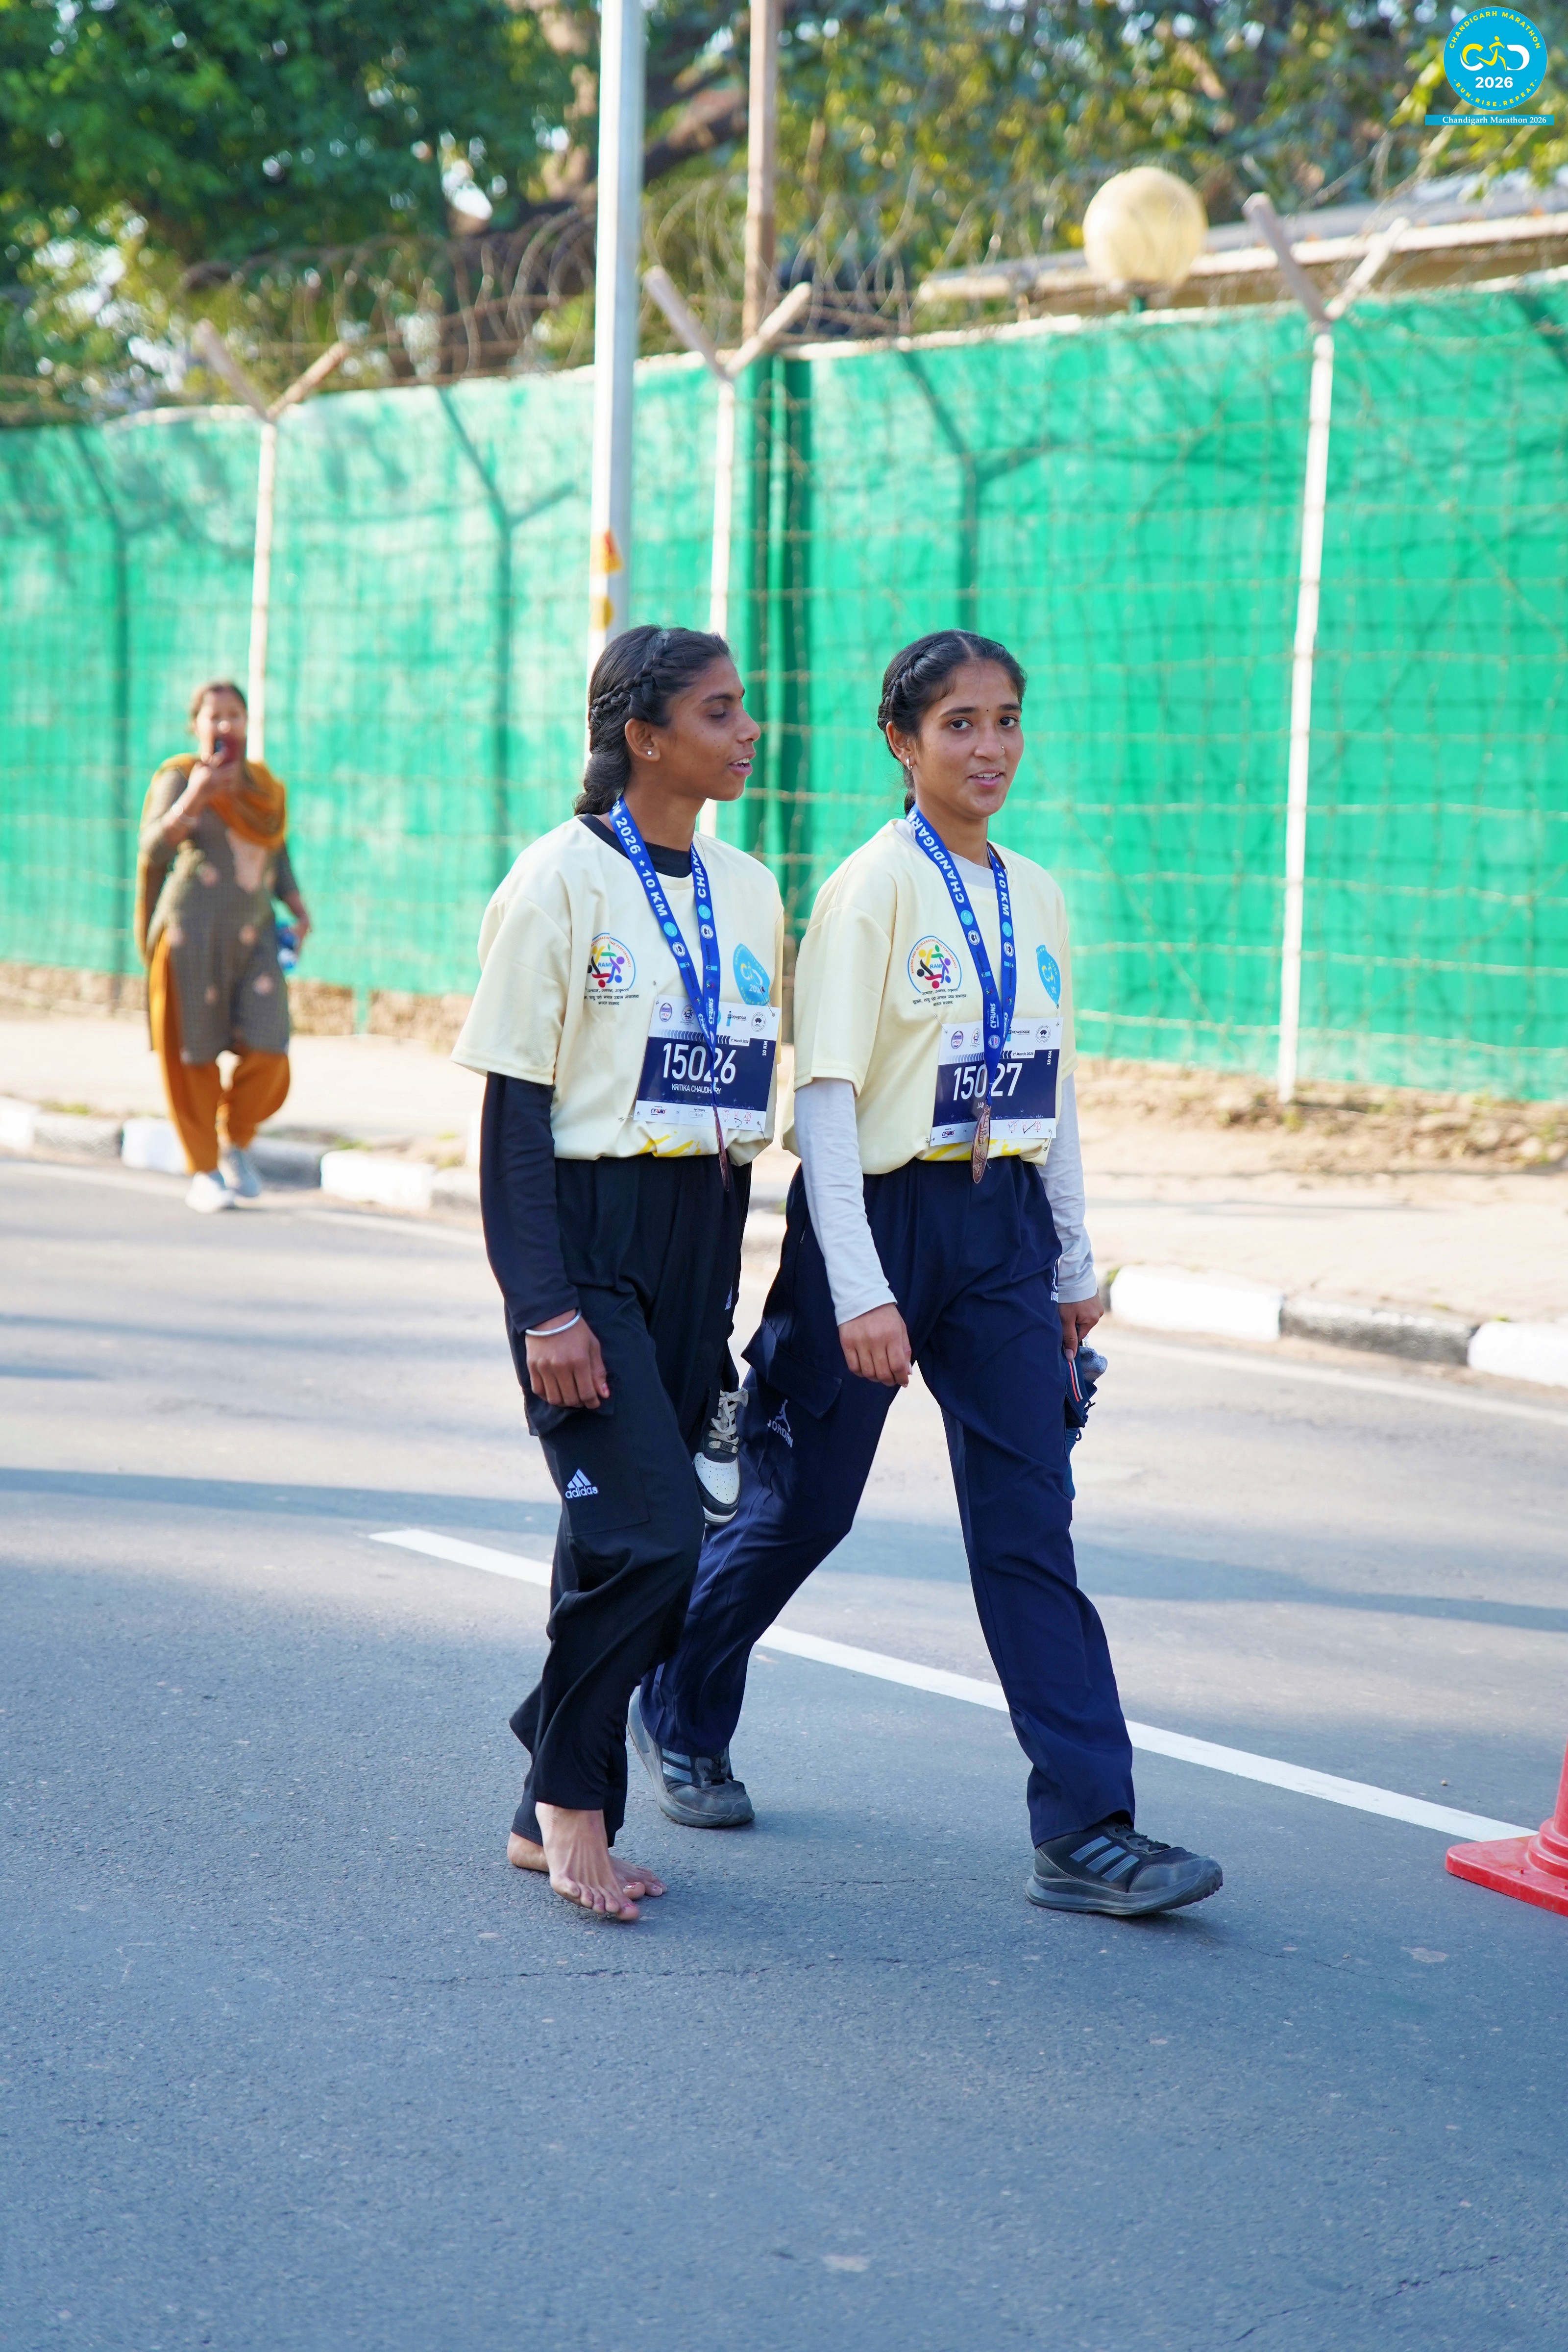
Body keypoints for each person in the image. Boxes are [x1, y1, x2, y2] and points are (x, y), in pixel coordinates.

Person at [632, 629, 1224, 1919]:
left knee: (1029, 1525)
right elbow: (827, 1101)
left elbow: (1053, 1086)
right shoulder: (871, 891)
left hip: (1000, 1226)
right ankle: (678, 1695)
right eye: (960, 724)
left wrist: (1071, 1262)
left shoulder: (1037, 893)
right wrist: (859, 1289)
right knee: (802, 1507)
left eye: (1006, 720)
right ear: (902, 743)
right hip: (879, 1219)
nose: (990, 747)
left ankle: (1087, 1829)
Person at [452, 624, 785, 1921]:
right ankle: (571, 1807)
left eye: (743, 707)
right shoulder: (558, 880)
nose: (747, 731)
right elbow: (513, 1122)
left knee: (621, 1535)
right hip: (585, 1235)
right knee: (653, 1539)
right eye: (719, 712)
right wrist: (543, 1306)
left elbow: (738, 1106)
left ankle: (540, 1795)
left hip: (697, 1234)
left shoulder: (749, 890)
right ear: (644, 737)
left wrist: (722, 1298)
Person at [135, 681, 311, 1214]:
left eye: (234, 714)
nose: (225, 725)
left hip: (254, 937)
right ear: (196, 725)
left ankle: (234, 1138)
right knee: (193, 1054)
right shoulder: (178, 777)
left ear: (247, 722)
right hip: (189, 937)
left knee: (270, 1048)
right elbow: (152, 850)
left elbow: (276, 855)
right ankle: (205, 1169)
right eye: (214, 716)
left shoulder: (264, 789)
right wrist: (197, 796)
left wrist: (299, 909)